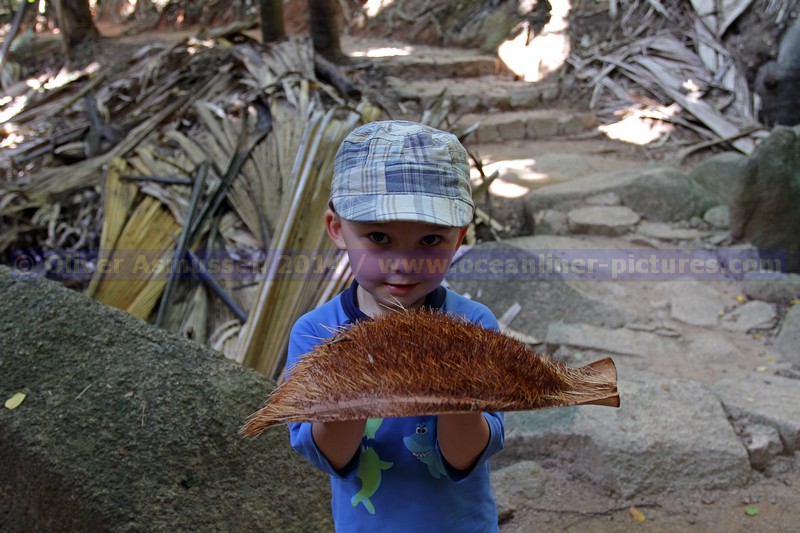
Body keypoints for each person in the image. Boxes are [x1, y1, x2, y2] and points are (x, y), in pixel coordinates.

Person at [286, 120, 505, 532]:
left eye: (429, 241)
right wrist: (355, 378)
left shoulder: (474, 326)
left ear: (458, 238)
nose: (405, 263)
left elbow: (467, 455)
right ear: (337, 229)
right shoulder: (316, 333)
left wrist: (455, 385)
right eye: (380, 237)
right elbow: (331, 457)